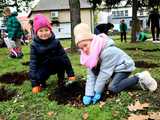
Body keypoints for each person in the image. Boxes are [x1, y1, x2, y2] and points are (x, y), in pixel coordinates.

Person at [74, 23, 157, 105]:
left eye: (85, 45)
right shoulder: (89, 55)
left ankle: (140, 77)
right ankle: (129, 81)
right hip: (114, 69)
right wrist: (88, 94)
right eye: (81, 48)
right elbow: (91, 75)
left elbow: (104, 73)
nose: (84, 50)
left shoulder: (107, 52)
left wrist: (97, 91)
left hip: (124, 67)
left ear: (92, 41)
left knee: (112, 87)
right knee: (101, 76)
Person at [29, 14, 75, 93]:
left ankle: (61, 80)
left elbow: (65, 57)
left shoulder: (56, 42)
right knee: (39, 76)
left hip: (55, 64)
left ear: (50, 30)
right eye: (41, 31)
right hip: (43, 67)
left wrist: (71, 74)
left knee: (61, 60)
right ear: (36, 32)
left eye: (46, 30)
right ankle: (41, 83)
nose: (44, 33)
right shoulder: (34, 45)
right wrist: (34, 84)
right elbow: (33, 64)